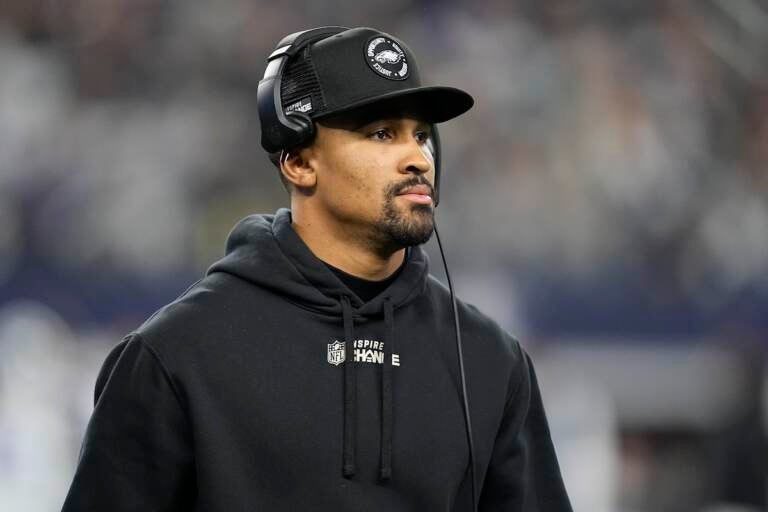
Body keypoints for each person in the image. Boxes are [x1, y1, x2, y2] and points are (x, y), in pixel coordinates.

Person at [62, 26, 572, 512]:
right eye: (381, 133)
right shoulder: (176, 355)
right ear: (298, 162)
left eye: (420, 134)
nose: (417, 158)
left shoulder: (488, 359)